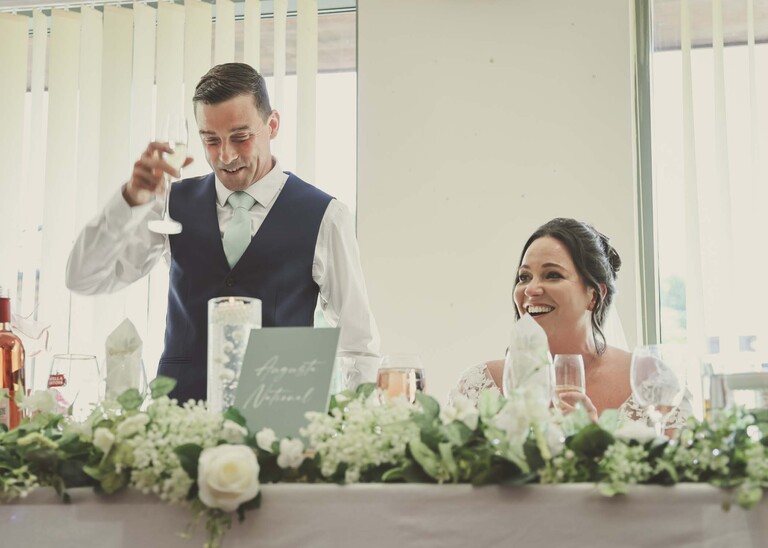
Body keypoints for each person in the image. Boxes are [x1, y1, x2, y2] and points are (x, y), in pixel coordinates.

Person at [66, 63, 380, 403]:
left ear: (272, 125)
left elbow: (358, 344)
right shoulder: (171, 203)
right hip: (177, 423)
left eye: (240, 137)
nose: (225, 155)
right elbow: (84, 279)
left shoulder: (326, 216)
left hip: (280, 427)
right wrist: (128, 201)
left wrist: (352, 422)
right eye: (211, 140)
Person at [450, 217, 691, 428]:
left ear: (594, 295)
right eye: (524, 277)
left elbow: (685, 472)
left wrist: (595, 443)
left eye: (552, 275)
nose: (531, 289)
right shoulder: (478, 386)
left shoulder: (650, 379)